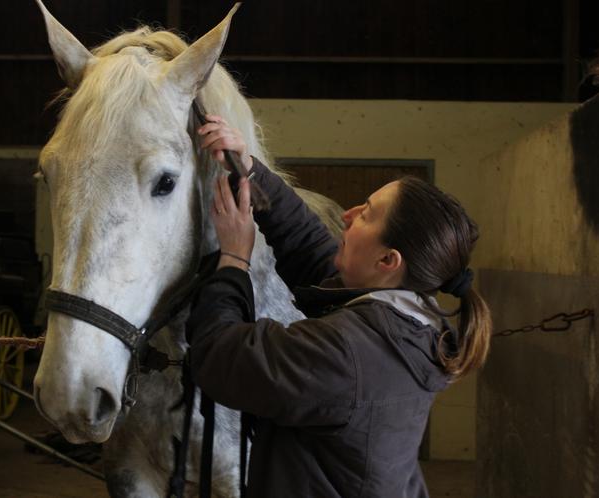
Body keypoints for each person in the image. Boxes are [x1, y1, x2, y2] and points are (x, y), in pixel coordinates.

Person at [187, 115, 492, 498]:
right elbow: (310, 249)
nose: (346, 215)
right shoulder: (411, 320)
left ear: (387, 262)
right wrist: (247, 169)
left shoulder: (349, 352)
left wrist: (233, 258)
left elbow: (219, 356)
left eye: (366, 213)